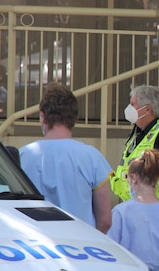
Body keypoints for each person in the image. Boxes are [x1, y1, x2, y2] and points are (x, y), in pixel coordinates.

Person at [20, 82, 113, 233]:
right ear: (74, 118)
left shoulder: (23, 156)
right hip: (80, 247)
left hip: (36, 246)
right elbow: (105, 220)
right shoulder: (92, 157)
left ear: (43, 116)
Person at [111, 85, 159, 208]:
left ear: (147, 109)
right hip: (135, 205)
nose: (129, 108)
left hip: (158, 209)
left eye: (133, 104)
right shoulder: (138, 133)